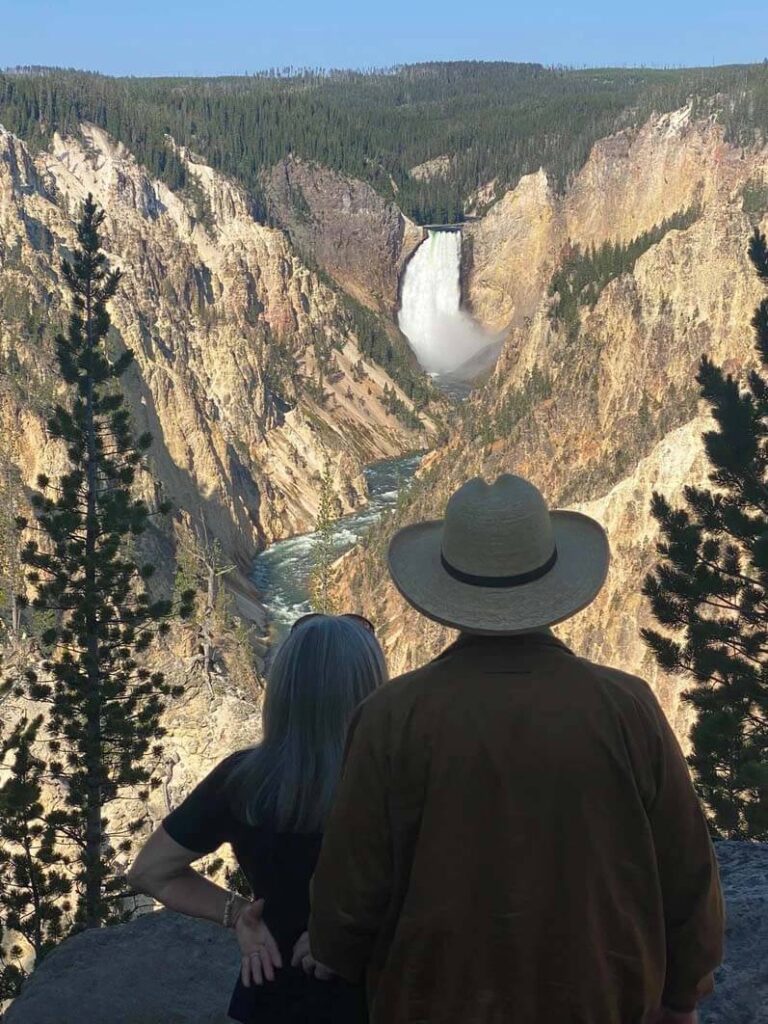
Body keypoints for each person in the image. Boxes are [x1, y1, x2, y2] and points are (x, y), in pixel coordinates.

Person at [307, 475, 725, 1024]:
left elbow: (347, 902)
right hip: (601, 1003)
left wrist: (340, 955)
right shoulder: (628, 707)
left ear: (446, 590)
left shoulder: (390, 717)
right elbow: (688, 873)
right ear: (553, 583)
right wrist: (681, 997)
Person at [128, 612, 387, 1024]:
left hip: (272, 990)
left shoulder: (242, 779)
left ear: (282, 691)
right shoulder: (401, 778)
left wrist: (236, 914)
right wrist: (346, 936)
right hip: (380, 993)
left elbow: (150, 872)